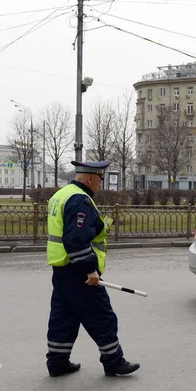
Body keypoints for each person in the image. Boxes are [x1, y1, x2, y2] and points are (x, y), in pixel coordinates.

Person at [45, 160, 139, 378]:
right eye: (100, 179)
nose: (100, 184)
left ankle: (57, 363)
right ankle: (114, 362)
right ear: (90, 178)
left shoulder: (62, 194)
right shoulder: (80, 200)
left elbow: (69, 232)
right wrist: (90, 270)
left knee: (63, 316)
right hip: (79, 272)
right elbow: (76, 240)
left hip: (61, 269)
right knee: (102, 315)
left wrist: (101, 226)